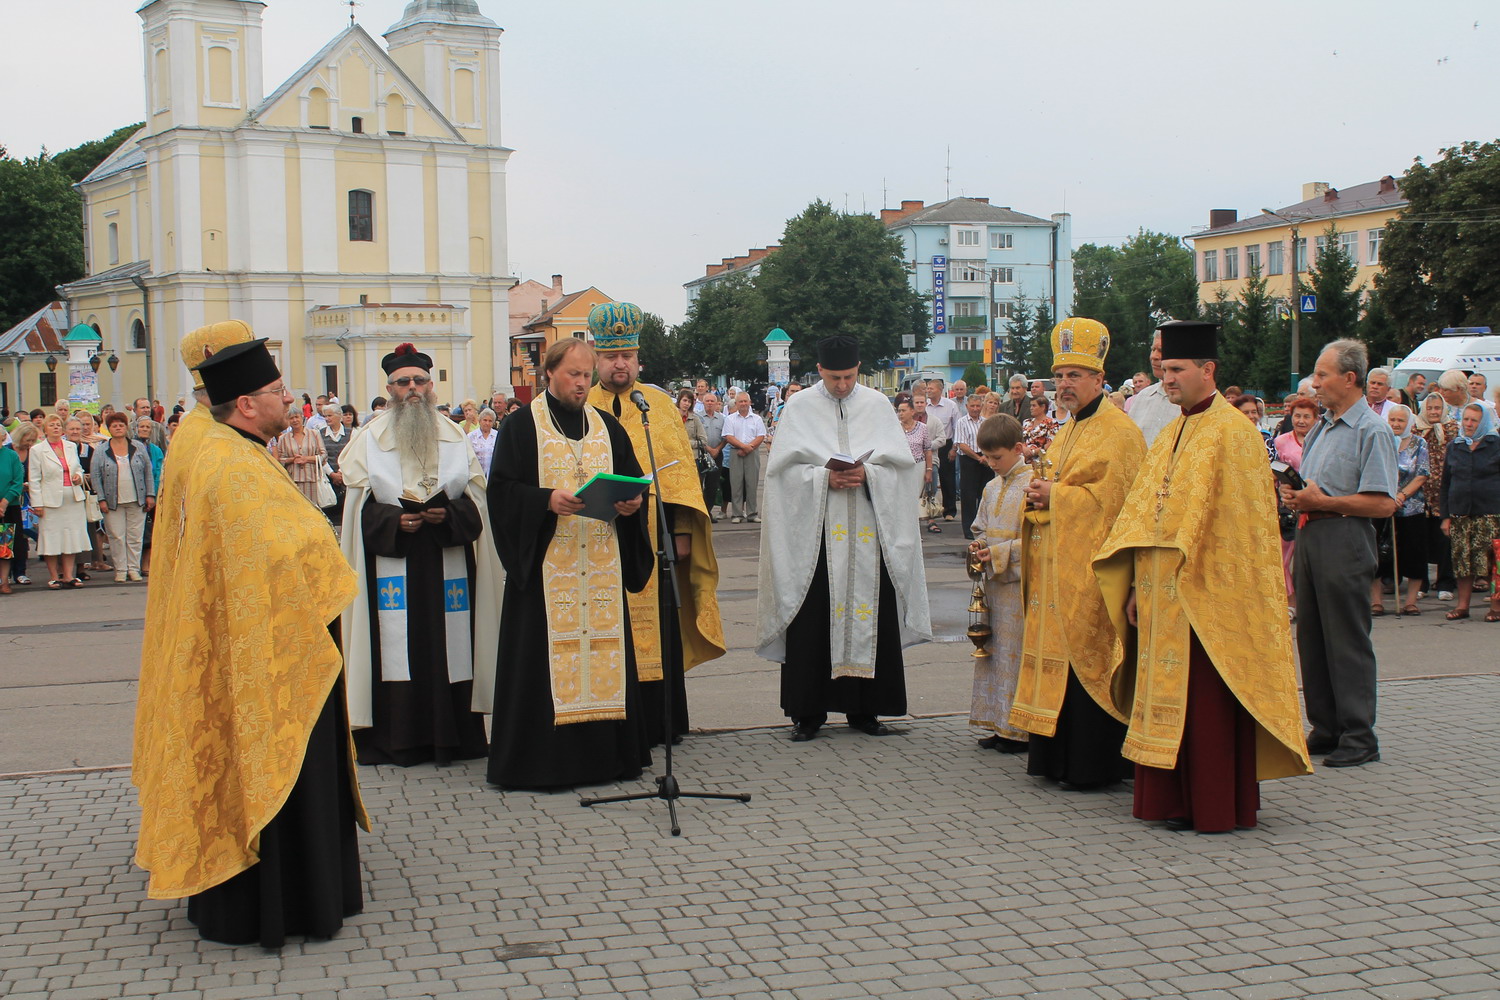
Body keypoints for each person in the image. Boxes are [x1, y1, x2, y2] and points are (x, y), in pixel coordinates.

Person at [132, 338, 366, 947]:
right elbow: (277, 553)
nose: (289, 400)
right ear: (244, 403)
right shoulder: (233, 467)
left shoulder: (229, 448)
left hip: (266, 639)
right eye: (277, 391)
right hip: (272, 652)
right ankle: (289, 900)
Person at [1095, 320, 1311, 834]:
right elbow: (1145, 515)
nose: (1166, 378)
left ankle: (1210, 802)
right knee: (1167, 697)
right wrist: (1135, 584)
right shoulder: (1173, 430)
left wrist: (1198, 578)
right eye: (1163, 369)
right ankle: (1170, 799)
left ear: (1207, 370)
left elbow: (1241, 530)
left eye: (1176, 369)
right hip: (1159, 593)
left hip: (1207, 594)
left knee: (1205, 704)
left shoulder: (1233, 433)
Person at [485, 338, 654, 788]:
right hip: (546, 573)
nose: (581, 383)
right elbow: (500, 492)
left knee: (604, 657)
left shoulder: (607, 428)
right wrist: (544, 500)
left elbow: (632, 484)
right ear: (549, 374)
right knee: (542, 666)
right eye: (573, 374)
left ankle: (608, 761)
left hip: (601, 567)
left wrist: (631, 504)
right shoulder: (521, 426)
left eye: (586, 375)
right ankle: (544, 765)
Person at [758, 335, 932, 741]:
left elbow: (902, 470)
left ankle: (866, 710)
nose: (842, 385)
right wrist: (823, 478)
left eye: (849, 377)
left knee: (872, 614)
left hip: (870, 535)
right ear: (820, 370)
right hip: (816, 541)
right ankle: (807, 714)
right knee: (813, 621)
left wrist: (868, 474)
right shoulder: (799, 407)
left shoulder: (876, 405)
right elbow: (781, 476)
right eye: (834, 377)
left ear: (858, 370)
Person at [338, 343, 502, 767]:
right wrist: (393, 521)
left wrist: (448, 515)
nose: (412, 388)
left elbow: (478, 503)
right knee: (396, 648)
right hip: (393, 564)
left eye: (419, 381)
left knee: (452, 648)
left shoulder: (455, 437)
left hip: (448, 560)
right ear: (389, 389)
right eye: (403, 382)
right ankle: (398, 742)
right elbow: (357, 511)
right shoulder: (368, 441)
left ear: (431, 387)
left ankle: (455, 738)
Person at [1009, 318, 1146, 789]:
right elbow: (1056, 484)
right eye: (1059, 376)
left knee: (1088, 661)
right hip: (1055, 566)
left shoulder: (1121, 433)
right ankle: (1055, 760)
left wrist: (1057, 497)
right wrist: (1037, 497)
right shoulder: (1066, 430)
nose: (1064, 384)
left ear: (1099, 379)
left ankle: (1092, 765)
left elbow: (1119, 504)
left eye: (1074, 375)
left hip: (1094, 571)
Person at [587, 304, 725, 743]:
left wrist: (681, 533)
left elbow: (680, 475)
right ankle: (613, 720)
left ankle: (661, 724)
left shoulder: (658, 405)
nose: (620, 364)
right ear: (596, 359)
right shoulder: (582, 404)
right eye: (611, 356)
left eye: (627, 355)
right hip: (597, 537)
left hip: (653, 536)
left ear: (638, 358)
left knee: (658, 630)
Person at [1280, 339, 1398, 768]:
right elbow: (1315, 488)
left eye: (1322, 374)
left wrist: (1324, 501)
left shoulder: (1372, 430)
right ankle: (1327, 727)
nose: (1315, 383)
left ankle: (1359, 734)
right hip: (1311, 534)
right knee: (1312, 637)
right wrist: (1297, 495)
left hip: (1345, 537)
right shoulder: (1324, 426)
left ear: (1350, 378)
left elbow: (1383, 503)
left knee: (1346, 638)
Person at [967, 413, 1032, 754]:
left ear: (1018, 449)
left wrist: (998, 552)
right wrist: (978, 545)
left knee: (1014, 656)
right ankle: (995, 722)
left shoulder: (1033, 485)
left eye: (997, 457)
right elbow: (980, 527)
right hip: (993, 585)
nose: (991, 464)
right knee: (992, 654)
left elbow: (1038, 540)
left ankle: (1018, 731)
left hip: (1019, 589)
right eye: (987, 457)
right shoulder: (991, 487)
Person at [1439, 402, 1500, 622]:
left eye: (1474, 420)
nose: (1469, 424)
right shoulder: (1455, 446)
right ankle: (1462, 606)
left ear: (1484, 422)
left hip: (1491, 513)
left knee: (1493, 563)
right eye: (1466, 419)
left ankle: (1496, 607)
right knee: (1462, 562)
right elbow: (1446, 483)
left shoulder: (1496, 444)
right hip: (1460, 513)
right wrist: (1445, 517)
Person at [1373, 404, 1429, 617]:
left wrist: (1401, 495)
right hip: (1381, 505)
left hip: (1411, 507)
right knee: (1377, 552)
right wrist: (1386, 495)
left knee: (1414, 553)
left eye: (1400, 421)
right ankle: (1376, 601)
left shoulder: (1419, 443)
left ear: (1409, 423)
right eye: (1393, 420)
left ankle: (1411, 602)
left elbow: (1422, 474)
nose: (1396, 424)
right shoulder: (1380, 441)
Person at [29, 414, 89, 588]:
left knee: (71, 537)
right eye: (52, 425)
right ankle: (54, 576)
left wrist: (78, 476)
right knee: (52, 538)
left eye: (58, 425)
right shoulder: (37, 450)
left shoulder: (70, 446)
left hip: (73, 499)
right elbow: (34, 479)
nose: (56, 428)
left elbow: (78, 467)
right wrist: (37, 503)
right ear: (45, 430)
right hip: (50, 501)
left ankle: (69, 576)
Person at [95, 412, 155, 583]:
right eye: (114, 425)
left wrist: (150, 495)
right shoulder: (101, 450)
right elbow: (96, 476)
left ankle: (134, 569)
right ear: (109, 428)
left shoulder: (138, 447)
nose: (118, 428)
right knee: (117, 536)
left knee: (135, 536)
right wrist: (101, 499)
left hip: (137, 499)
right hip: (112, 501)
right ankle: (121, 569)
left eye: (121, 425)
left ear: (126, 427)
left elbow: (148, 472)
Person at [1273, 397, 1319, 616]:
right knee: (1282, 559)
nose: (1301, 421)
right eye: (1297, 416)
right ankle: (1291, 602)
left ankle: (1311, 604)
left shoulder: (1321, 440)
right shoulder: (1280, 441)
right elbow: (1272, 470)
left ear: (1316, 419)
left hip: (1315, 504)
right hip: (1287, 506)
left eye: (1306, 416)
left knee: (1310, 560)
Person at [1413, 391, 1459, 601]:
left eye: (1437, 408)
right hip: (1420, 493)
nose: (1433, 412)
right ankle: (1420, 583)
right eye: (1430, 408)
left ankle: (1445, 583)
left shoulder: (1451, 428)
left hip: (1444, 492)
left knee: (1444, 540)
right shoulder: (1416, 429)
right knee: (1420, 540)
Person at [722, 391, 767, 524]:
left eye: (745, 401)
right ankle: (737, 514)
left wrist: (748, 448)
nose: (743, 404)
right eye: (740, 401)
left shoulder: (757, 419)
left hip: (752, 452)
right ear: (736, 403)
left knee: (752, 484)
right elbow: (728, 436)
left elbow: (761, 436)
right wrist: (743, 447)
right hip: (735, 453)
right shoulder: (730, 419)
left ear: (749, 402)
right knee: (736, 484)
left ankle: (752, 513)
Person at [1129, 330, 1178, 446]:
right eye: (1153, 350)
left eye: (1161, 350)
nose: (1153, 356)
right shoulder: (1142, 397)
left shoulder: (1193, 402)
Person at [952, 393, 991, 540]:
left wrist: (985, 456)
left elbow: (989, 441)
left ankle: (984, 527)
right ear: (967, 407)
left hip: (985, 459)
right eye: (972, 406)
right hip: (968, 459)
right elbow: (961, 444)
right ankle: (969, 529)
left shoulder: (986, 422)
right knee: (968, 496)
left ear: (982, 406)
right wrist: (977, 458)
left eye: (978, 406)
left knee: (985, 494)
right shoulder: (961, 422)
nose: (975, 409)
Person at [896, 396, 934, 533]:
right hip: (900, 468)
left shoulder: (922, 428)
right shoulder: (895, 428)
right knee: (901, 499)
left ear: (912, 411)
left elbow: (928, 450)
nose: (900, 414)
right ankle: (902, 529)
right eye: (899, 411)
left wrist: (929, 470)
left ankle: (914, 530)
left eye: (903, 411)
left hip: (918, 467)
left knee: (914, 499)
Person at [275, 408, 328, 507]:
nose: (295, 420)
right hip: (292, 479)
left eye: (297, 417)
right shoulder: (283, 438)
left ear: (302, 418)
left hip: (312, 478)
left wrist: (306, 459)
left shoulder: (314, 434)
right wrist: (293, 460)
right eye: (291, 418)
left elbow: (323, 455)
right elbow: (279, 460)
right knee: (295, 507)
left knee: (311, 508)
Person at [924, 378, 959, 523]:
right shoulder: (924, 405)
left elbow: (957, 427)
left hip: (946, 445)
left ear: (940, 390)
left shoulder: (951, 406)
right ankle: (927, 510)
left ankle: (949, 510)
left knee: (947, 478)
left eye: (931, 388)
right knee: (928, 478)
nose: (928, 391)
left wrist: (954, 448)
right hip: (927, 446)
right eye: (927, 388)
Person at [318, 403, 352, 525]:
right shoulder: (320, 433)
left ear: (339, 416)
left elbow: (351, 454)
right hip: (328, 479)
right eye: (325, 416)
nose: (327, 418)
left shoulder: (351, 433)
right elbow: (320, 455)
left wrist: (340, 472)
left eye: (330, 415)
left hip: (346, 478)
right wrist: (332, 474)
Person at [699, 392, 726, 519]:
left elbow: (726, 437)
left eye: (712, 401)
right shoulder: (697, 417)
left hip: (717, 455)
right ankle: (699, 512)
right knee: (700, 483)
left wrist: (717, 450)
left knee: (713, 485)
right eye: (707, 401)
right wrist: (708, 449)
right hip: (701, 454)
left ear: (716, 403)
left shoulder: (722, 419)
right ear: (703, 402)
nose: (710, 403)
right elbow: (696, 436)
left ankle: (708, 512)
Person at [0, 438, 22, 594]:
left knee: (5, 546)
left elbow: (17, 481)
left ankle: (5, 581)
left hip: (9, 507)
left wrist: (4, 502)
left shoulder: (11, 455)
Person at [1021, 394, 1057, 462]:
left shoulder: (1052, 423)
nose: (1031, 408)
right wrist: (1023, 448)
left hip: (1040, 460)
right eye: (1030, 405)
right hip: (1024, 460)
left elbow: (1051, 444)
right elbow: (1020, 439)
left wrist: (1033, 452)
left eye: (1034, 405)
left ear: (1043, 407)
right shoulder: (1026, 422)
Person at [467, 407, 499, 477]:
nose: (487, 423)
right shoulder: (471, 436)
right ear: (480, 421)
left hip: (493, 474)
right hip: (476, 474)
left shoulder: (498, 436)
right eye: (485, 420)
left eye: (490, 421)